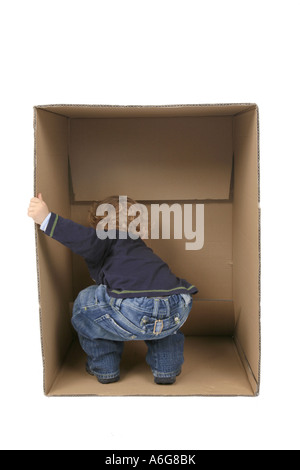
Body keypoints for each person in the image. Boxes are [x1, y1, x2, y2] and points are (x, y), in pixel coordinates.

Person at [28, 194, 198, 385]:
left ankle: (105, 368)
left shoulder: (107, 238)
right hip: (177, 305)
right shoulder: (142, 249)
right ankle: (167, 370)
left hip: (134, 308)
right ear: (143, 231)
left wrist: (46, 218)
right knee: (165, 328)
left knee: (85, 302)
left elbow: (78, 237)